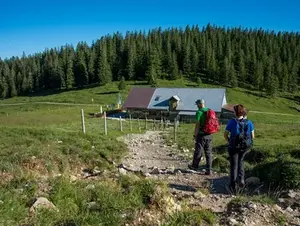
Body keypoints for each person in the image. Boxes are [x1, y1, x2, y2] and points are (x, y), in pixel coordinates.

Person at [224, 104, 255, 192]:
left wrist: (229, 141)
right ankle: (241, 181)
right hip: (245, 147)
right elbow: (253, 136)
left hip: (233, 146)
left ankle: (232, 185)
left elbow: (225, 135)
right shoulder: (249, 122)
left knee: (234, 165)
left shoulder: (232, 122)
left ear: (235, 113)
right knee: (241, 162)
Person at [188, 99, 213, 175]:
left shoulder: (199, 112)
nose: (197, 106)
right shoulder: (210, 111)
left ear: (199, 104)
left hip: (201, 134)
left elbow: (197, 125)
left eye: (197, 105)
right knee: (208, 152)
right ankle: (209, 170)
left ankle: (195, 166)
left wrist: (195, 135)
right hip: (209, 134)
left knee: (198, 151)